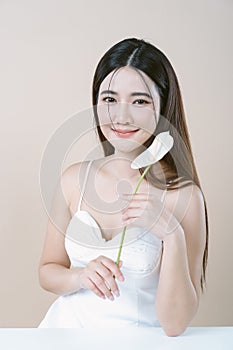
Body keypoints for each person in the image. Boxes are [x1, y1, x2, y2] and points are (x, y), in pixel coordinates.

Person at [38, 37, 208, 336]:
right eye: (109, 99)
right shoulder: (72, 179)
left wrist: (171, 232)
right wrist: (81, 276)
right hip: (61, 334)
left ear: (162, 108)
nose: (121, 116)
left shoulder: (184, 196)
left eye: (140, 101)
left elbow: (175, 324)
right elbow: (48, 271)